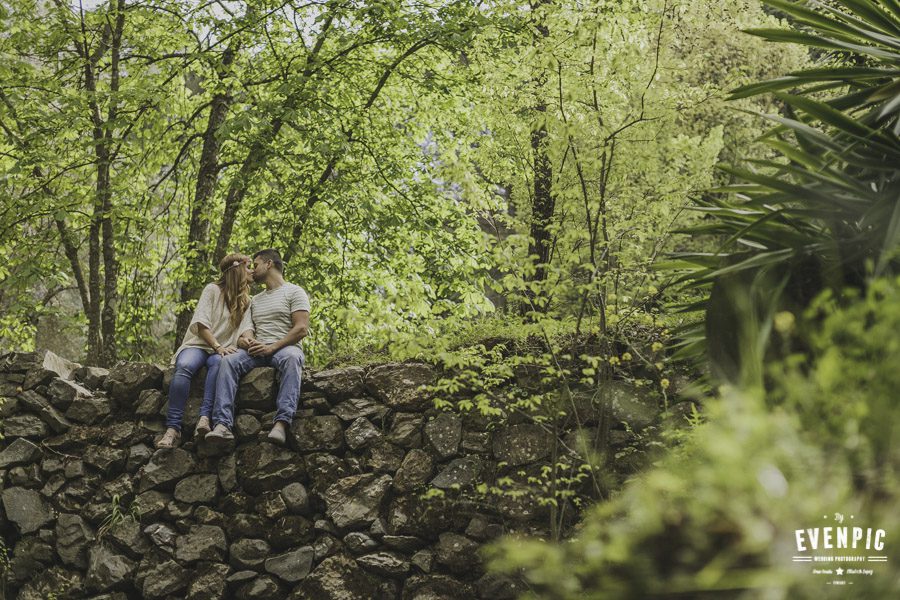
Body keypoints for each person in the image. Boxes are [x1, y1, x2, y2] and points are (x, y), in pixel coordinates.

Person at [205, 248, 310, 448]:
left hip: (284, 348)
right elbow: (247, 328)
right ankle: (222, 425)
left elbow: (301, 329)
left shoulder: (294, 291)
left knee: (292, 359)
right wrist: (247, 340)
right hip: (256, 351)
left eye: (255, 265)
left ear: (269, 264)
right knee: (228, 361)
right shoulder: (256, 300)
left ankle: (281, 423)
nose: (252, 270)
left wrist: (271, 348)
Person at [155, 253, 253, 449]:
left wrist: (248, 341)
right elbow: (201, 324)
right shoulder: (212, 290)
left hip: (222, 352)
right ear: (237, 270)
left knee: (219, 365)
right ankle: (173, 429)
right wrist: (217, 346)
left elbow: (245, 329)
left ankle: (205, 418)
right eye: (248, 267)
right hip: (200, 345)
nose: (251, 271)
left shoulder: (247, 301)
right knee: (184, 366)